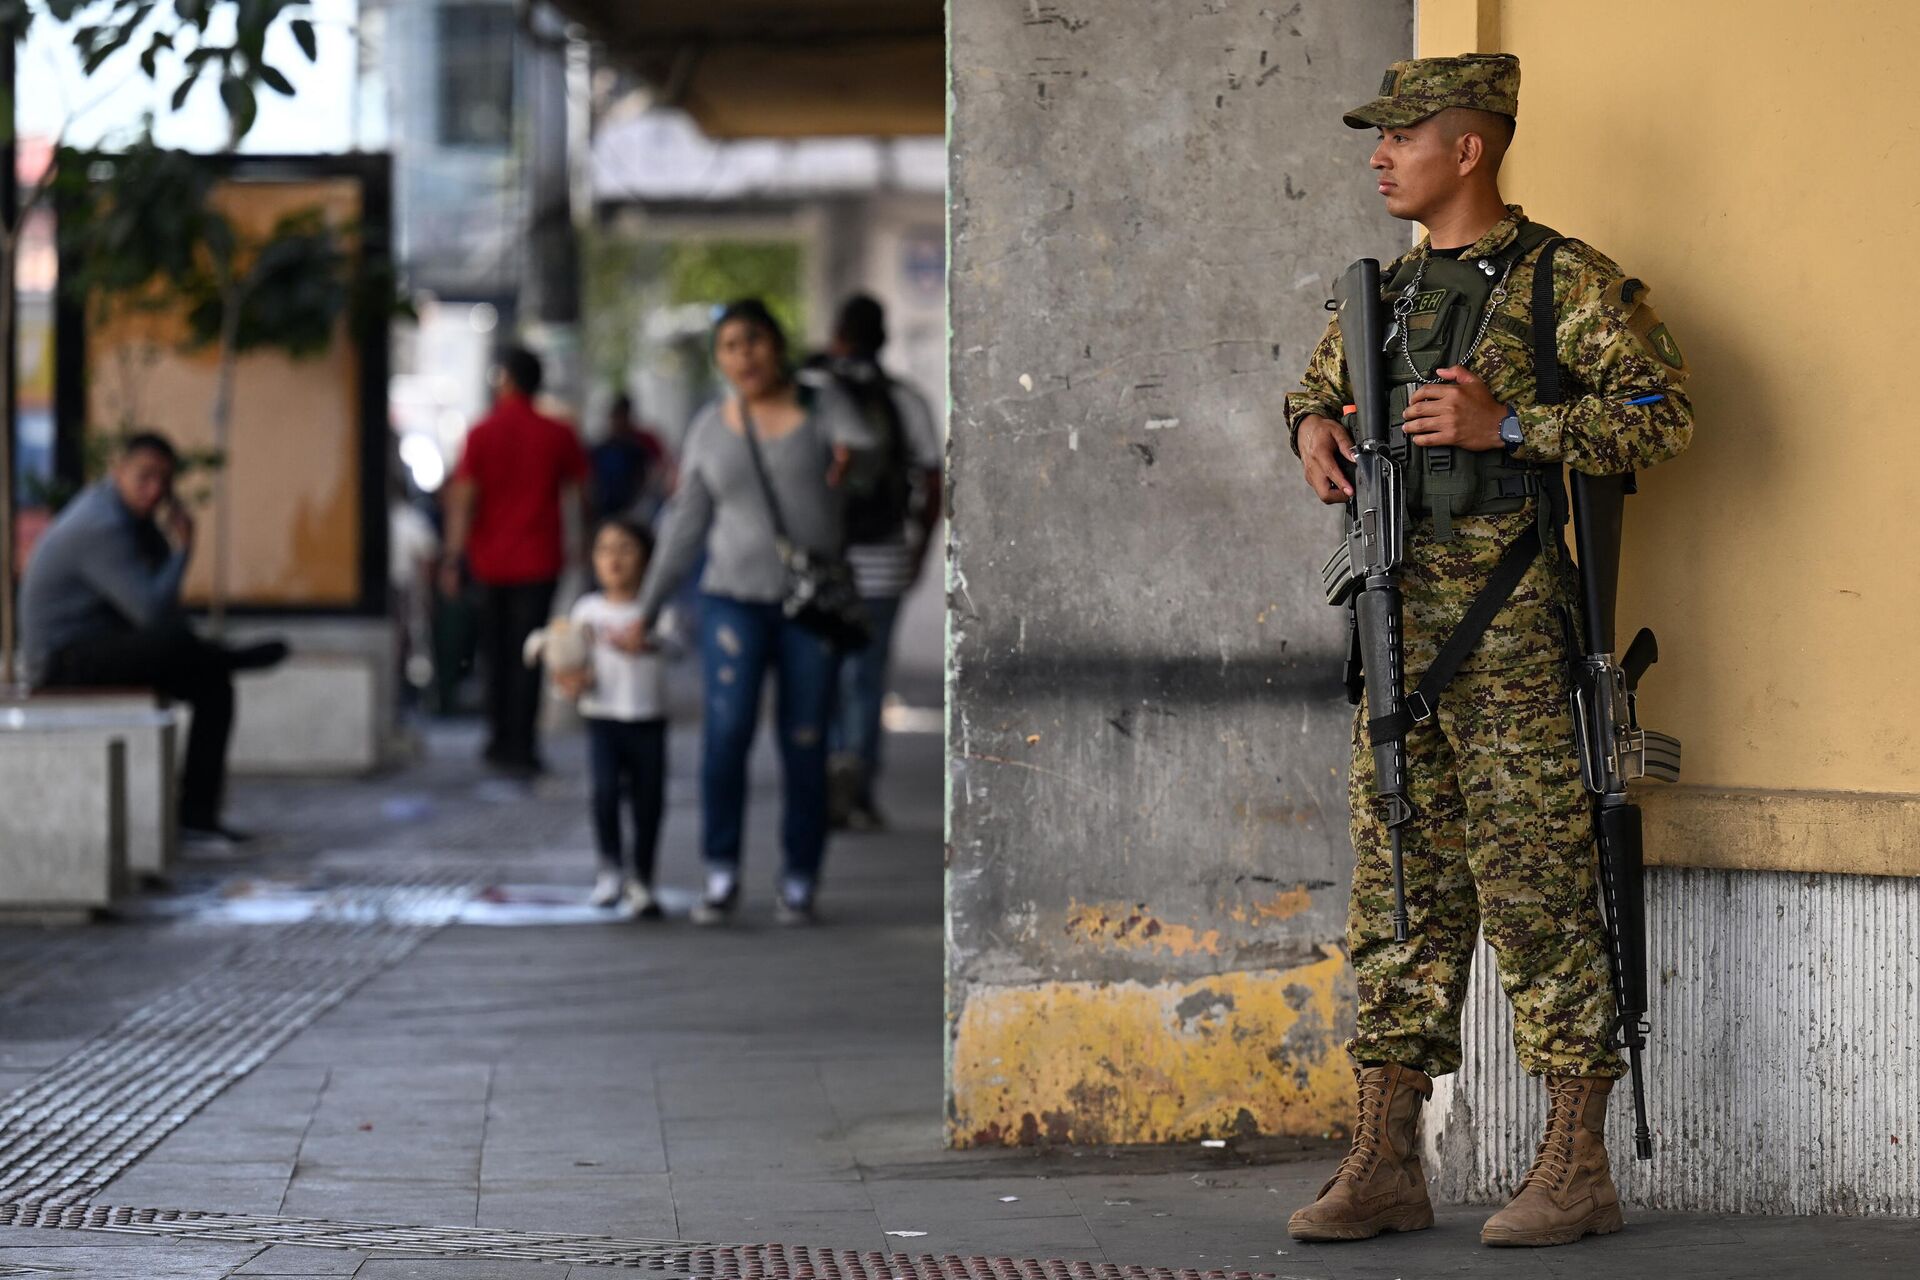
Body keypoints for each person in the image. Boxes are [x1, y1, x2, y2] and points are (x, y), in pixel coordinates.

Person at [1280, 54, 1693, 1248]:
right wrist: (1309, 427)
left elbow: (1667, 409)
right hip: (1392, 635)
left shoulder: (1562, 280)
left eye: (1399, 138)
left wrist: (1509, 424)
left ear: (1469, 149)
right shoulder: (1381, 296)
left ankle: (1576, 1167)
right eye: (1377, 140)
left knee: (1540, 897)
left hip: (1510, 646)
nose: (1378, 156)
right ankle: (1386, 1159)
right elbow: (1313, 390)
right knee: (1400, 899)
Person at [633, 299, 870, 927]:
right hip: (731, 600)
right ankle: (720, 872)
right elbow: (685, 526)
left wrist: (854, 463)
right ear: (720, 358)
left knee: (805, 739)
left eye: (756, 341)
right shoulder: (710, 428)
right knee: (727, 734)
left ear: (777, 344)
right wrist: (646, 607)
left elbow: (871, 459)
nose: (746, 355)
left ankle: (799, 877)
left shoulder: (822, 406)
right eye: (732, 345)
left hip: (808, 604)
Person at [19, 432, 287, 843]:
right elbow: (150, 613)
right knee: (179, 645)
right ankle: (226, 656)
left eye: (164, 480)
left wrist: (163, 543)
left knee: (213, 686)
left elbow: (162, 609)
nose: (155, 490)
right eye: (144, 477)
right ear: (118, 471)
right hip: (61, 660)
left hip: (101, 645)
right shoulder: (101, 525)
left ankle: (197, 819)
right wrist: (183, 550)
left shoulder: (131, 522)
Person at [804, 294, 942, 831]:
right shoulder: (904, 400)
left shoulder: (816, 395)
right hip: (885, 557)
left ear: (838, 335)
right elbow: (931, 483)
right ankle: (857, 787)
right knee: (866, 676)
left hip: (822, 557)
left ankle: (821, 778)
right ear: (883, 339)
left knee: (820, 670)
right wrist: (919, 551)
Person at [439, 346, 591, 776]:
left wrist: (453, 557)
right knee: (530, 654)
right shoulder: (557, 433)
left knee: (495, 653)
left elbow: (463, 499)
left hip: (490, 563)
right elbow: (582, 495)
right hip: (541, 560)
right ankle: (523, 744)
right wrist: (586, 544)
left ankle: (498, 740)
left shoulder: (481, 433)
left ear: (503, 379)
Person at [557, 518, 668, 920]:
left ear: (646, 558)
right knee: (603, 792)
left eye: (625, 548)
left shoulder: (655, 608)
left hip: (648, 716)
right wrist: (571, 682)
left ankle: (643, 875)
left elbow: (677, 644)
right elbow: (568, 659)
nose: (614, 559)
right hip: (602, 717)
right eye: (605, 549)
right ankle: (609, 867)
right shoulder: (587, 609)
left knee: (649, 800)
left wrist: (648, 640)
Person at [589, 393, 674, 526]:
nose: (619, 421)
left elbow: (661, 468)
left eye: (622, 416)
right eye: (616, 416)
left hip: (637, 506)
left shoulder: (642, 443)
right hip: (607, 509)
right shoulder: (602, 448)